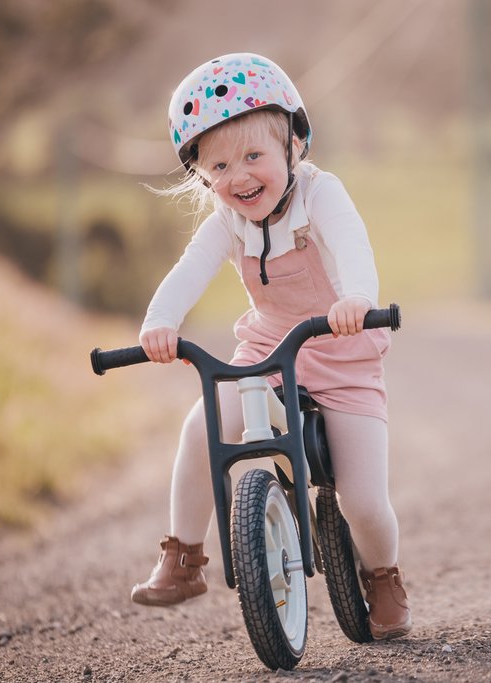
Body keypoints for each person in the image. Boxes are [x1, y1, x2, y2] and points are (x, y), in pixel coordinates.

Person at [129, 53, 411, 640]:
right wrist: (159, 323)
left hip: (342, 351)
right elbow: (188, 271)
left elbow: (353, 246)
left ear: (293, 146)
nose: (239, 176)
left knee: (361, 498)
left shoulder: (320, 195)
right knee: (203, 425)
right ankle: (184, 556)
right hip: (266, 351)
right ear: (202, 175)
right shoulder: (225, 221)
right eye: (220, 165)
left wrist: (357, 297)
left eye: (254, 156)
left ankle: (383, 574)